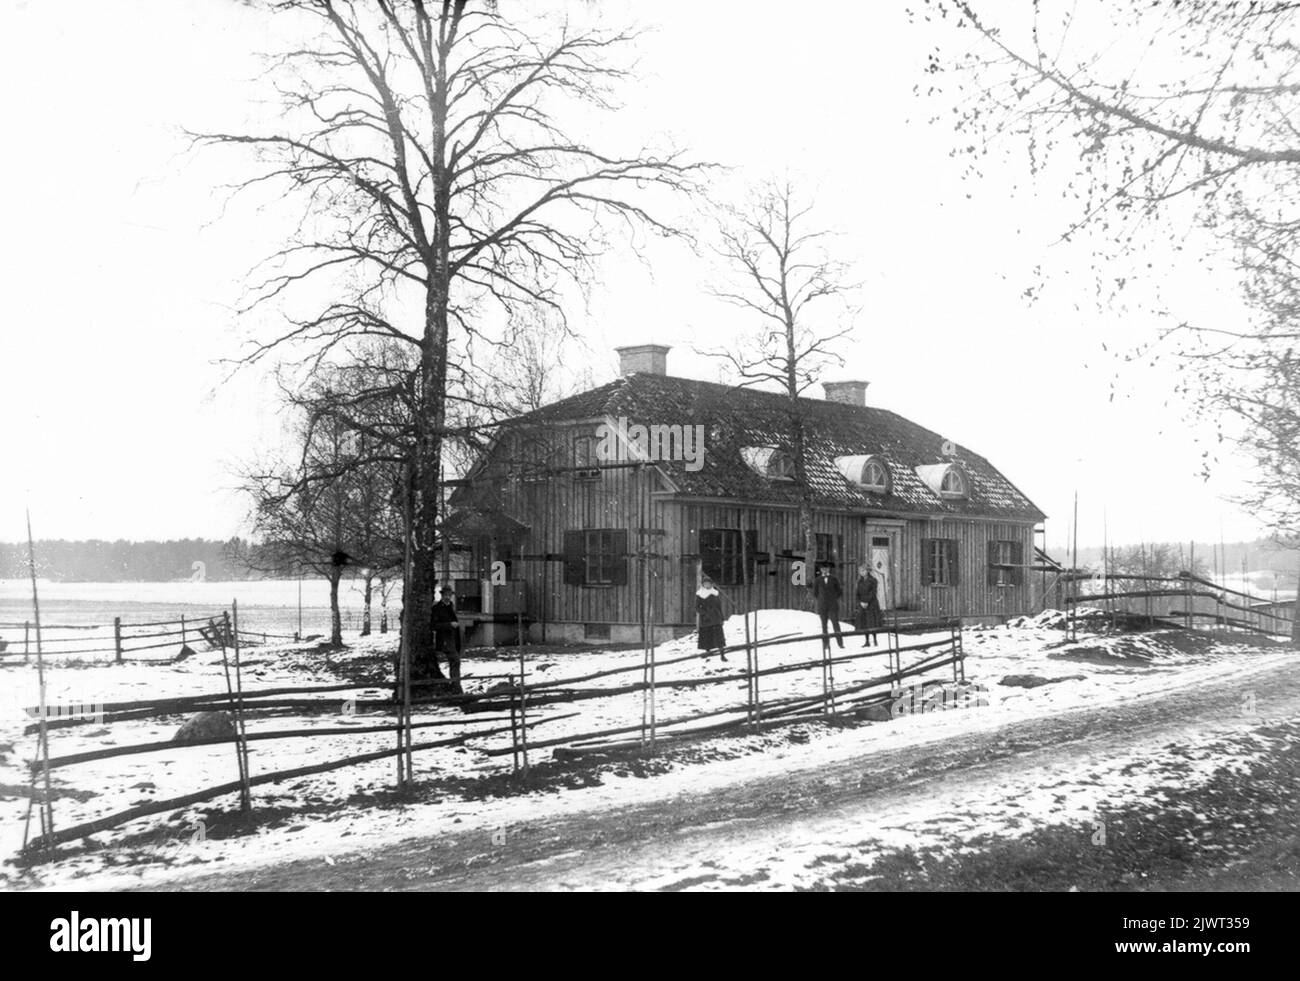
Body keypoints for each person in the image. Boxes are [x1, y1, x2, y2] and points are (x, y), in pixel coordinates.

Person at [430, 584, 462, 693]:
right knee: (455, 661)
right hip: (444, 641)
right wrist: (449, 624)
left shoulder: (451, 607)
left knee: (455, 662)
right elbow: (434, 625)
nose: (447, 597)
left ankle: (455, 686)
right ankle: (456, 687)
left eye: (449, 595)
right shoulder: (437, 608)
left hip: (454, 640)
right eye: (445, 595)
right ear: (442, 595)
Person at [696, 576, 728, 661]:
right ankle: (707, 654)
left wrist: (722, 617)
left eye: (709, 583)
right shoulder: (700, 594)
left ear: (711, 584)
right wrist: (704, 613)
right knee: (707, 637)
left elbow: (719, 606)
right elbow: (697, 607)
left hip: (716, 618)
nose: (707, 585)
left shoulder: (715, 593)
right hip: (706, 619)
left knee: (719, 638)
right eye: (705, 583)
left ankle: (722, 655)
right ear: (703, 584)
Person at [813, 564, 844, 650]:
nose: (825, 570)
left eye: (826, 568)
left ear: (829, 569)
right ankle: (825, 644)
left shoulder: (834, 579)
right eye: (823, 569)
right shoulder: (817, 580)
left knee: (835, 623)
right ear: (821, 569)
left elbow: (839, 591)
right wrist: (822, 600)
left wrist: (833, 598)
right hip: (822, 606)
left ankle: (840, 643)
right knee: (824, 625)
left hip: (832, 605)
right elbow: (815, 593)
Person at [855, 564, 884, 647]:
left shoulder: (873, 580)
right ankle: (867, 641)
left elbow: (873, 592)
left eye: (863, 571)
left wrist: (867, 601)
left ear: (867, 571)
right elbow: (857, 594)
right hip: (862, 604)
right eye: (860, 571)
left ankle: (875, 639)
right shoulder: (859, 582)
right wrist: (860, 602)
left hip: (872, 603)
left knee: (872, 622)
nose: (862, 573)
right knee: (865, 623)